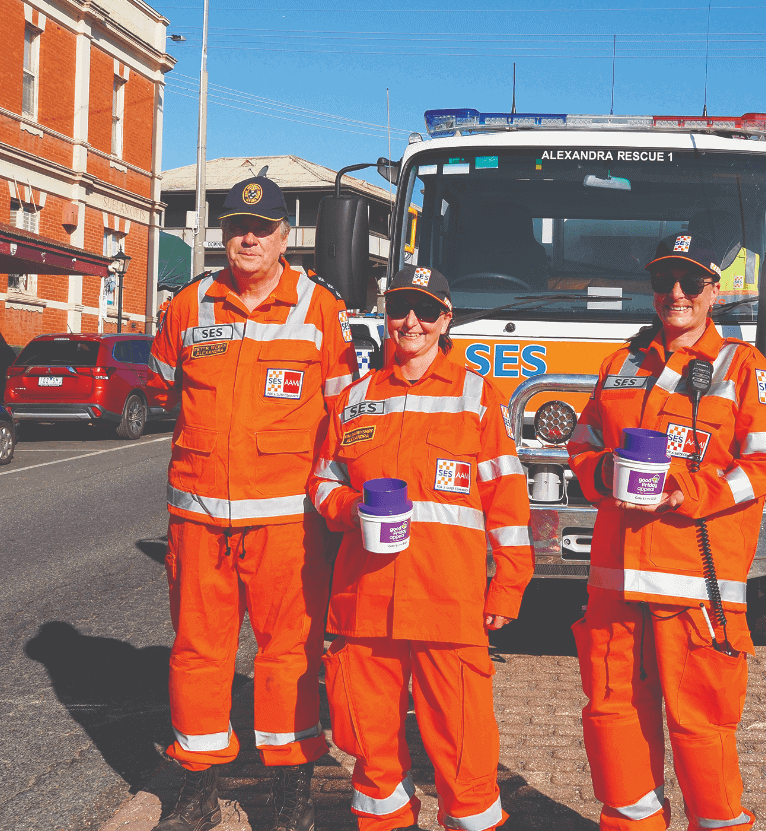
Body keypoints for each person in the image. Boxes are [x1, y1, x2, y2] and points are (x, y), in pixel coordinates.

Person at [147, 176, 358, 831]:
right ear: (223, 232)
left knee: (287, 657)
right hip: (199, 520)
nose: (248, 238)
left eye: (262, 228)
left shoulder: (320, 308)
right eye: (238, 225)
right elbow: (160, 390)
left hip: (286, 525)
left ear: (284, 237)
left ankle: (290, 795)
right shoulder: (186, 305)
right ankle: (196, 791)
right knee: (195, 655)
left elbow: (344, 415)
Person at [566, 232, 766, 831]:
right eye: (664, 281)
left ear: (713, 292)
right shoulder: (620, 363)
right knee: (612, 718)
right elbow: (584, 442)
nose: (676, 294)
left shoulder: (744, 367)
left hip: (696, 585)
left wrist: (691, 493)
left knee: (701, 729)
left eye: (690, 283)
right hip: (614, 584)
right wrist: (603, 471)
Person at [307, 265, 534, 831]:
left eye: (425, 311)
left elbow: (506, 501)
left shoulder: (476, 395)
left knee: (464, 751)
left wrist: (507, 585)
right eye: (400, 309)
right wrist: (347, 509)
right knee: (369, 750)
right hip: (365, 603)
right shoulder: (354, 398)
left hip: (446, 603)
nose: (411, 321)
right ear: (384, 317)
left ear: (445, 320)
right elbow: (323, 481)